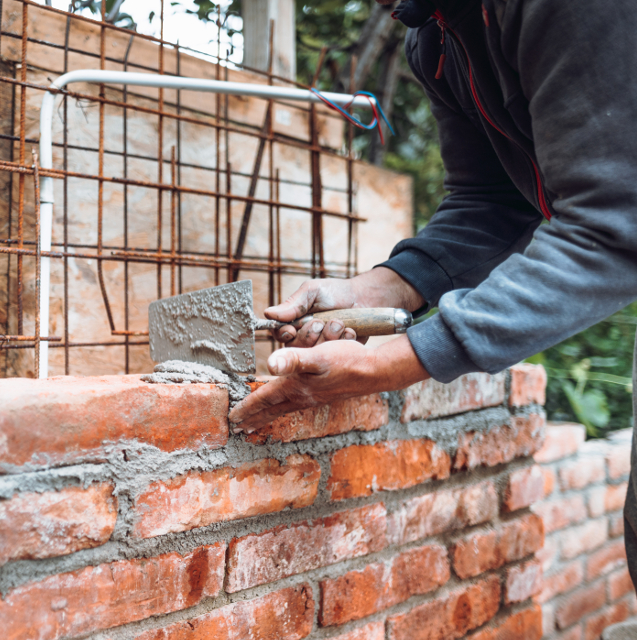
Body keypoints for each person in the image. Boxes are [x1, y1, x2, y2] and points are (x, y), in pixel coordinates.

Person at [228, 0, 637, 584]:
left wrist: (387, 365)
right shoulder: (434, 35)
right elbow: (491, 202)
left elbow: (614, 221)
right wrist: (373, 289)